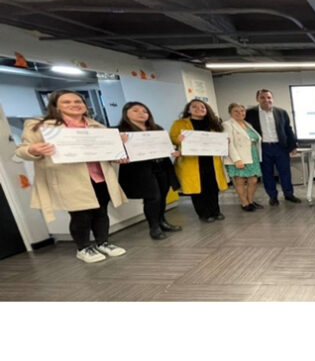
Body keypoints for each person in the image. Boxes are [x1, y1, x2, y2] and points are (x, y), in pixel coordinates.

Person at [15, 90, 128, 263]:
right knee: (81, 215)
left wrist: (118, 154)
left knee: (101, 212)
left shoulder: (96, 126)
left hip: (99, 176)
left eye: (78, 101)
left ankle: (103, 242)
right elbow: (21, 150)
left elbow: (106, 151)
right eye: (66, 102)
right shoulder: (40, 125)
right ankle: (83, 248)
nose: (74, 104)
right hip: (69, 178)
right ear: (55, 106)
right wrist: (33, 150)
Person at [117, 101, 182, 240]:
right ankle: (154, 227)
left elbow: (166, 147)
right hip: (140, 170)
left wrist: (174, 151)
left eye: (144, 111)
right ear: (126, 113)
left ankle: (162, 222)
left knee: (163, 195)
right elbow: (114, 153)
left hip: (161, 166)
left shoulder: (156, 129)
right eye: (135, 110)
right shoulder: (120, 131)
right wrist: (119, 143)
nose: (141, 113)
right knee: (153, 197)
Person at [170, 99, 228, 222]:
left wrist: (224, 142)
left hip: (211, 161)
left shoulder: (213, 123)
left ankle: (216, 211)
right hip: (191, 161)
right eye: (194, 106)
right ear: (188, 110)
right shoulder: (179, 123)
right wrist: (178, 139)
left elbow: (219, 140)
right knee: (197, 188)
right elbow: (172, 139)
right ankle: (204, 214)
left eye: (202, 107)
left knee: (212, 187)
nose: (199, 109)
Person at [245, 89, 301, 206]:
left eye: (269, 97)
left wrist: (293, 146)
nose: (266, 100)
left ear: (272, 99)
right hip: (263, 147)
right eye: (263, 98)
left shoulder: (281, 112)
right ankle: (273, 196)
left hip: (280, 147)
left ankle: (288, 194)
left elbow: (288, 130)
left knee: (285, 172)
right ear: (257, 99)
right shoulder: (250, 113)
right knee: (267, 173)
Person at [223, 102, 263, 212]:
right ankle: (244, 203)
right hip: (238, 157)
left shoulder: (248, 124)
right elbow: (229, 143)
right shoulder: (227, 125)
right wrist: (237, 159)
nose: (240, 113)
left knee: (253, 180)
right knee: (240, 181)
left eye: (242, 111)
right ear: (230, 113)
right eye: (236, 111)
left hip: (252, 156)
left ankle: (250, 201)